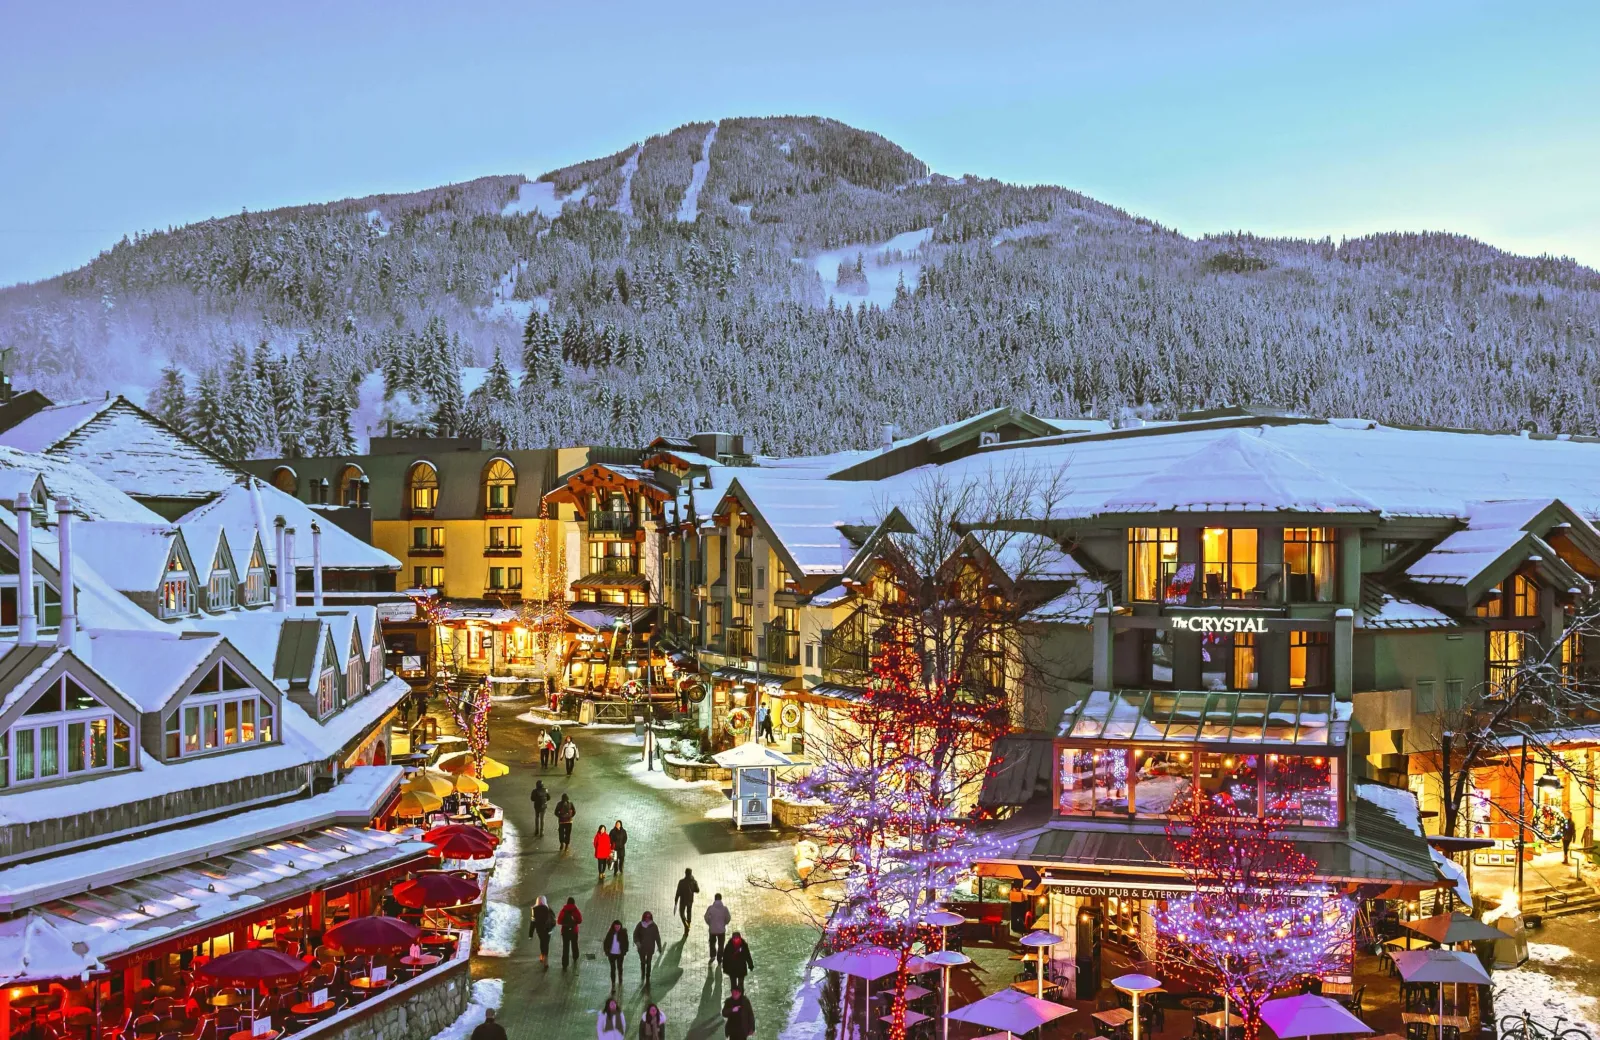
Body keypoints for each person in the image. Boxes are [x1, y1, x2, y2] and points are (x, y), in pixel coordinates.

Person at [633, 911, 662, 987]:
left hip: (650, 947)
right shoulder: (640, 925)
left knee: (649, 962)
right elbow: (635, 935)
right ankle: (643, 974)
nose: (647, 919)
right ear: (644, 917)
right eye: (646, 917)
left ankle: (648, 976)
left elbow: (657, 937)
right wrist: (637, 942)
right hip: (641, 948)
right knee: (642, 961)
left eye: (649, 917)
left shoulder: (654, 926)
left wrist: (659, 947)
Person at [601, 919, 629, 989]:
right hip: (611, 954)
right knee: (612, 969)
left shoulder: (623, 933)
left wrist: (624, 951)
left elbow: (626, 943)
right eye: (616, 927)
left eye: (618, 927)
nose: (617, 928)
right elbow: (605, 942)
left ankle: (620, 978)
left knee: (620, 967)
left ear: (620, 926)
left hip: (620, 954)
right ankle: (613, 983)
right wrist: (607, 952)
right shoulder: (610, 933)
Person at [704, 892, 731, 964]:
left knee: (712, 943)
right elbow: (728, 918)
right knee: (721, 944)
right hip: (721, 930)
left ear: (715, 899)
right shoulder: (725, 909)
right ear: (721, 899)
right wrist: (724, 923)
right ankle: (719, 958)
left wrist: (710, 923)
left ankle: (713, 955)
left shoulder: (710, 908)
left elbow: (706, 917)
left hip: (712, 930)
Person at [530, 895, 556, 967]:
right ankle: (546, 961)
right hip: (548, 930)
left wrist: (530, 934)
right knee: (546, 944)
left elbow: (533, 922)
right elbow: (554, 920)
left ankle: (542, 955)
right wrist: (551, 928)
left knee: (542, 942)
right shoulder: (548, 908)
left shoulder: (534, 909)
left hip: (539, 931)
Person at [557, 896, 583, 969]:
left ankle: (565, 964)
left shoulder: (563, 910)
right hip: (574, 931)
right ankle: (575, 956)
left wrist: (565, 923)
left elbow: (559, 921)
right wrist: (575, 922)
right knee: (574, 944)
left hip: (565, 932)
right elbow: (580, 920)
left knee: (565, 947)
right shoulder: (575, 910)